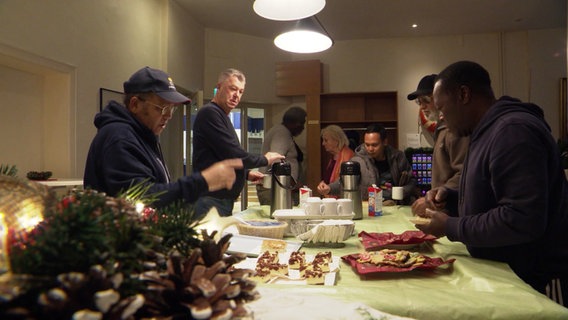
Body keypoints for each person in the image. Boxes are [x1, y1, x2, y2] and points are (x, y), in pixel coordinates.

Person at [416, 61, 568, 304]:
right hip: (512, 276)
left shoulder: (512, 131)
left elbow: (522, 219)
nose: (441, 117)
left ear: (464, 94)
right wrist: (451, 199)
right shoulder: (485, 133)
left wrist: (451, 226)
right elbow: (493, 198)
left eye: (442, 108)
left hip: (538, 281)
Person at [84, 66, 243, 209]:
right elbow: (143, 197)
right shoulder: (119, 137)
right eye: (162, 107)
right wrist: (203, 181)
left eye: (172, 109)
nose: (168, 116)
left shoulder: (144, 135)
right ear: (135, 105)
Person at [192, 68, 284, 217]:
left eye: (241, 91)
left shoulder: (221, 116)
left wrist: (246, 174)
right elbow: (233, 153)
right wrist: (265, 159)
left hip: (218, 201)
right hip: (210, 201)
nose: (237, 95)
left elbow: (222, 157)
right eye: (233, 89)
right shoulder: (210, 113)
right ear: (219, 87)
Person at [406, 74, 469, 215]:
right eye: (419, 102)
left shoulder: (456, 129)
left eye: (426, 100)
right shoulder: (441, 128)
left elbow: (465, 173)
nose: (422, 106)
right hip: (445, 210)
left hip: (456, 214)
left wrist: (433, 198)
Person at [317, 124, 416, 204]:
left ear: (385, 142)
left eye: (374, 145)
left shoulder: (398, 157)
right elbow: (344, 181)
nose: (370, 149)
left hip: (397, 205)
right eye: (367, 145)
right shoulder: (358, 160)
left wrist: (401, 193)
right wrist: (329, 188)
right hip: (370, 205)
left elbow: (411, 181)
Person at [256, 106, 307, 206]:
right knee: (279, 219)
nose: (303, 127)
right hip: (274, 189)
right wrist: (292, 184)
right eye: (302, 123)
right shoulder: (282, 133)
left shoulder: (281, 131)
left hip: (276, 187)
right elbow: (276, 161)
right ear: (296, 123)